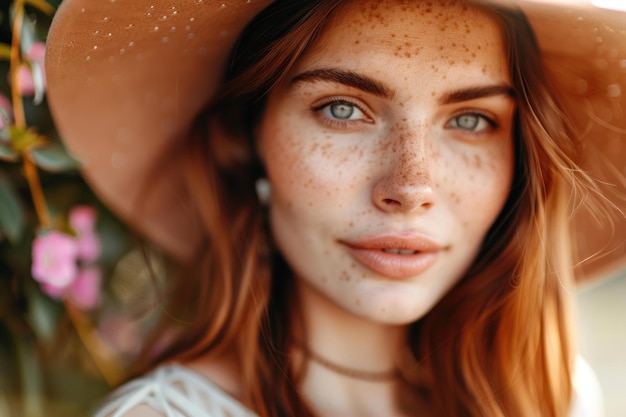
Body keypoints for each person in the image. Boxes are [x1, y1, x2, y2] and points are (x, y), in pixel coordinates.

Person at [44, 0, 626, 416]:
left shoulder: (556, 399)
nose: (411, 185)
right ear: (245, 137)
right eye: (343, 109)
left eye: (470, 120)